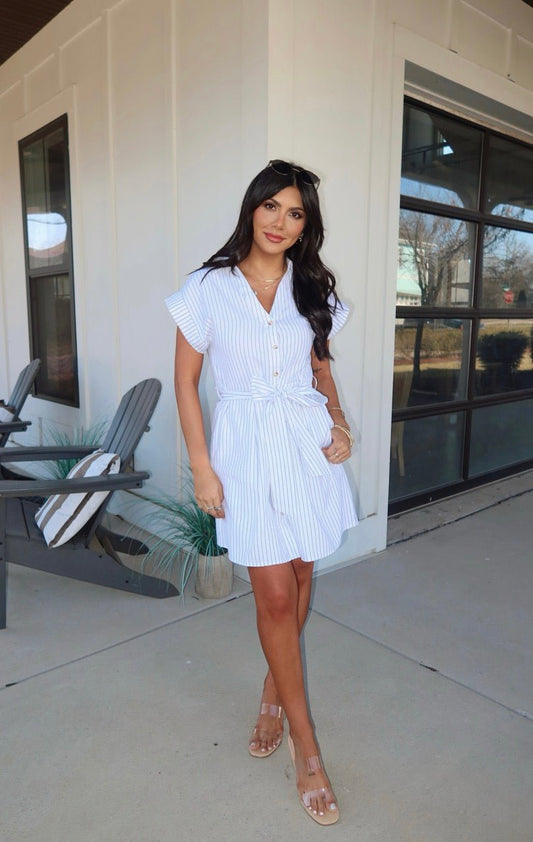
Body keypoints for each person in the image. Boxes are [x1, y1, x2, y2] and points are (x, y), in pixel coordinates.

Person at [166, 160, 357, 826]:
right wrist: (201, 467)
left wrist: (338, 422)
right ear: (251, 209)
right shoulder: (208, 288)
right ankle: (307, 755)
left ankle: (274, 691)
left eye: (295, 212)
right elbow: (186, 382)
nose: (281, 222)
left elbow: (319, 369)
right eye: (271, 207)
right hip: (242, 452)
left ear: (306, 224)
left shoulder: (311, 287)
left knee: (302, 573)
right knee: (273, 591)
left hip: (305, 445)